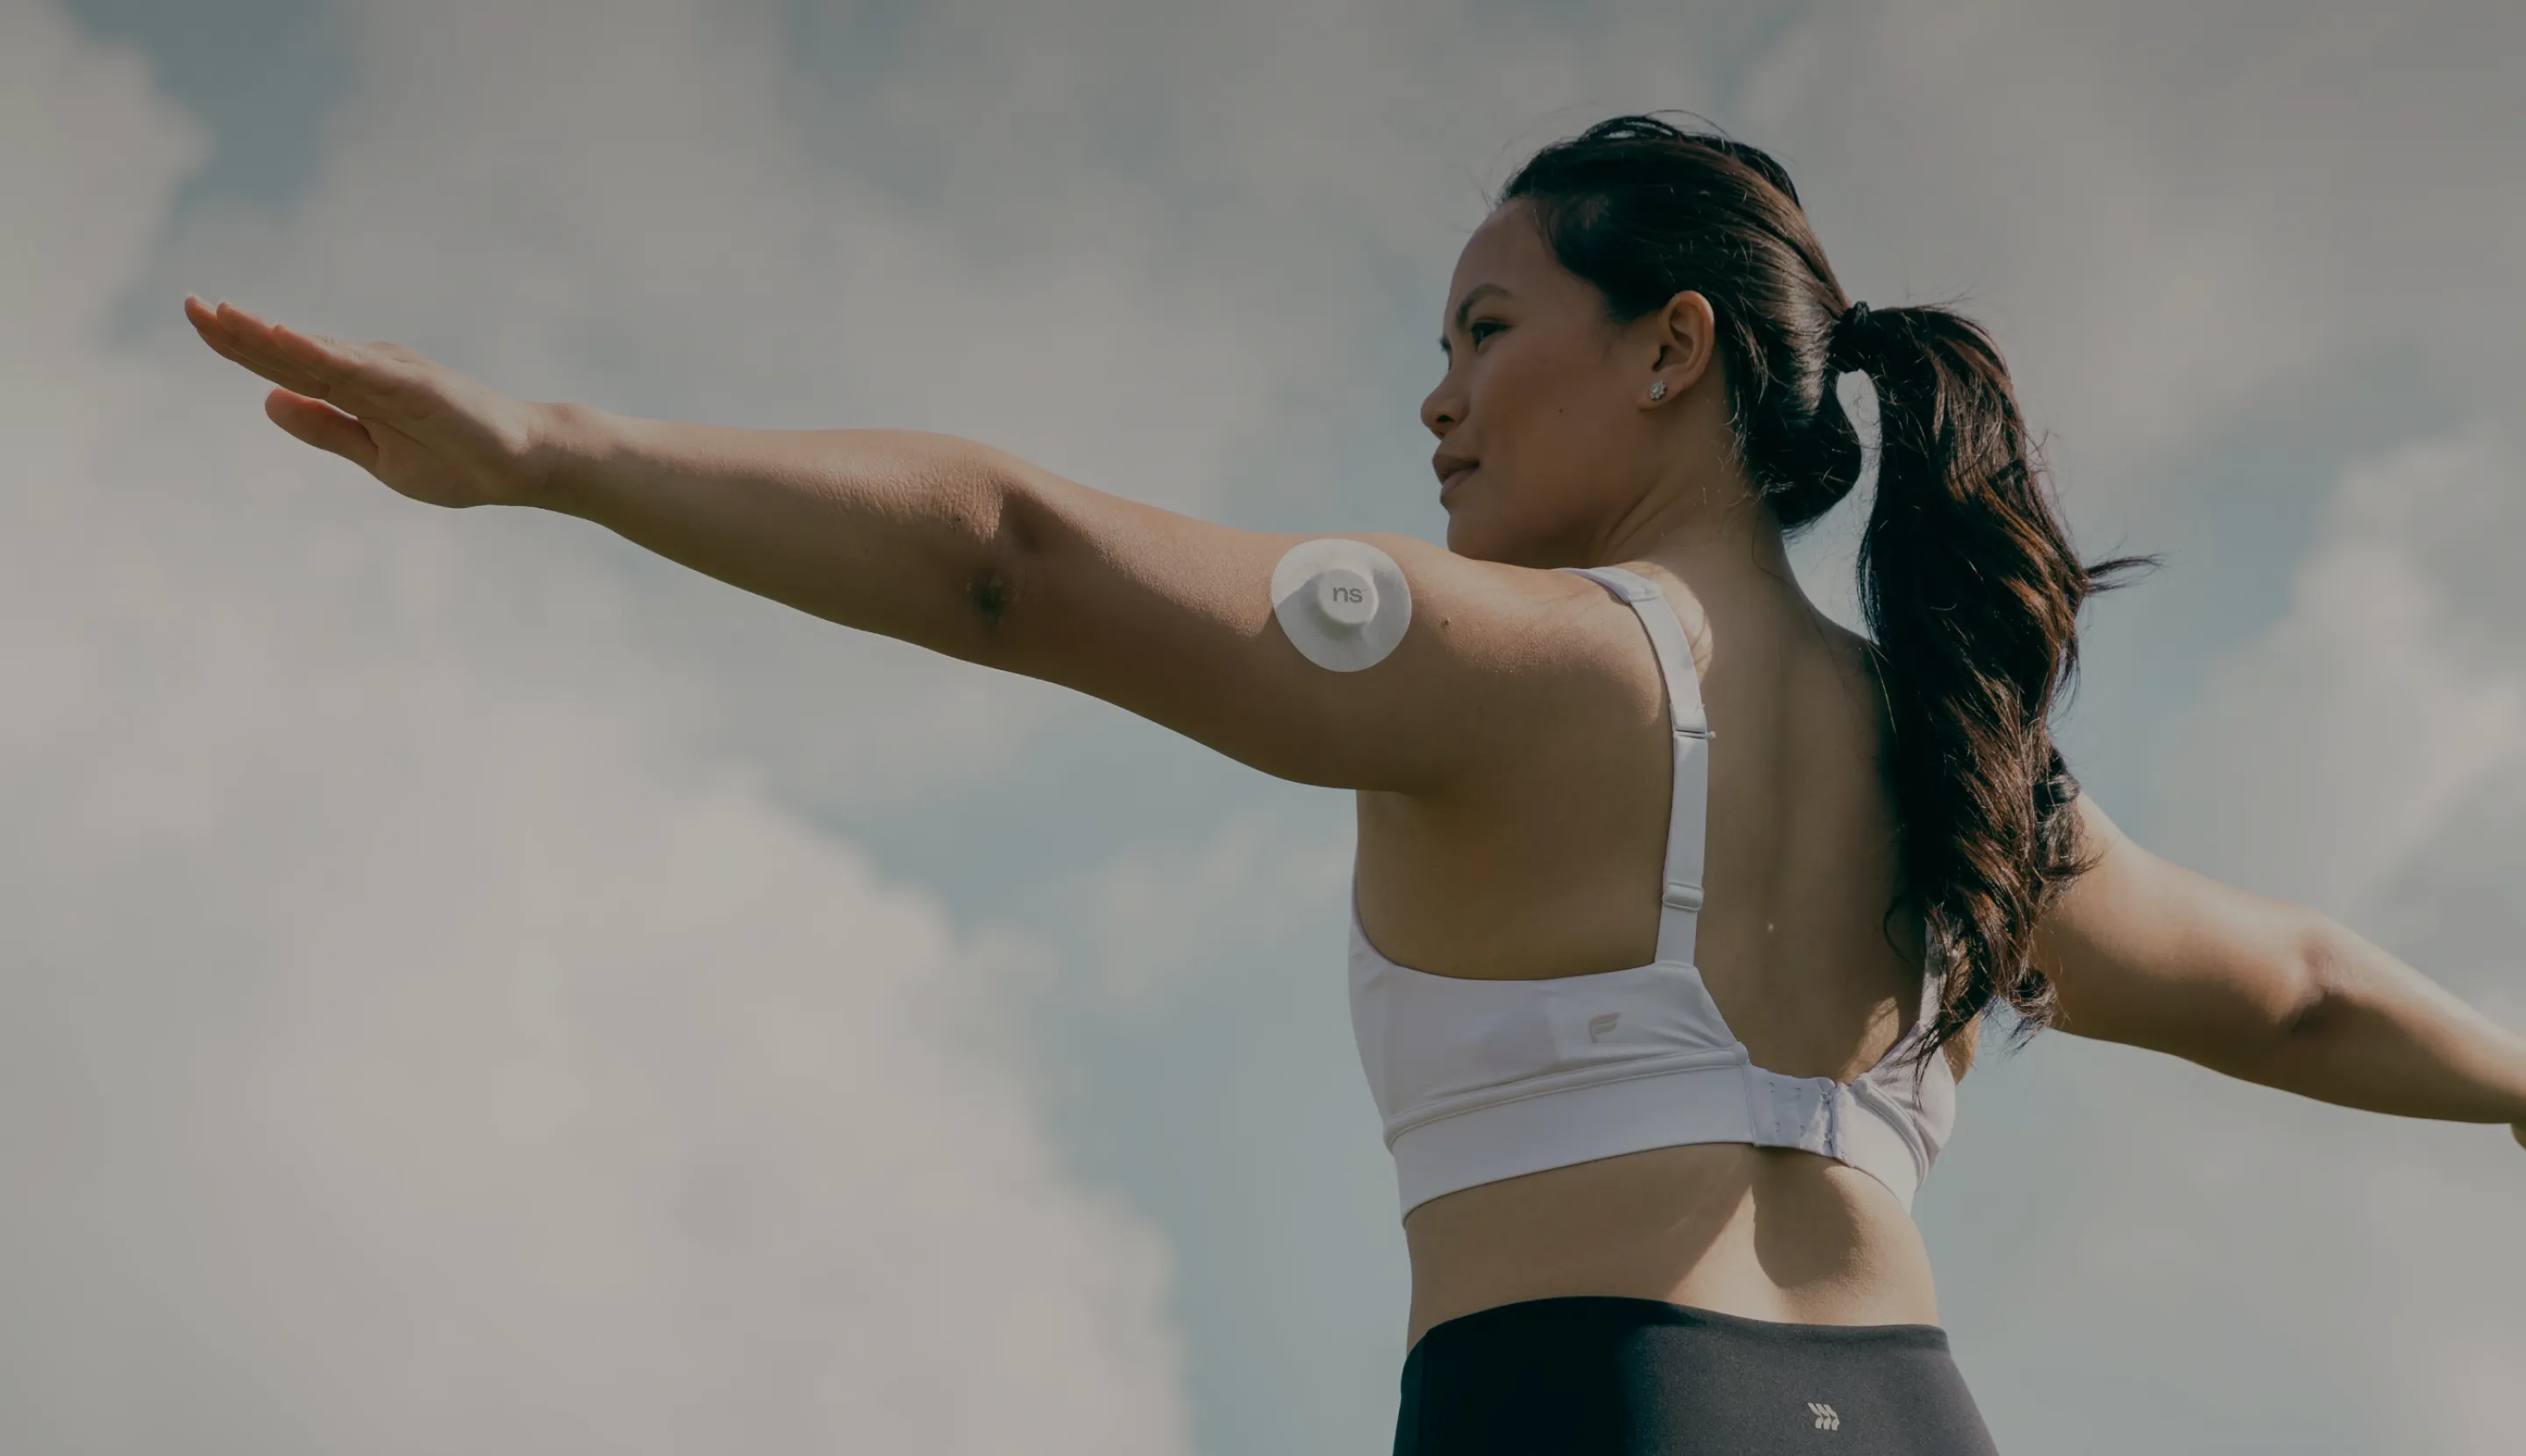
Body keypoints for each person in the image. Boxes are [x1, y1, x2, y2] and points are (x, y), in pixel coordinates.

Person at [186, 113, 2526, 1456]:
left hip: (1597, 1416)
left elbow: (1010, 556)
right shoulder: (1964, 757)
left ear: (1675, 350)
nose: (1436, 405)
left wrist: (560, 452)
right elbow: (2305, 987)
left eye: (1485, 334)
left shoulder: (1527, 666)